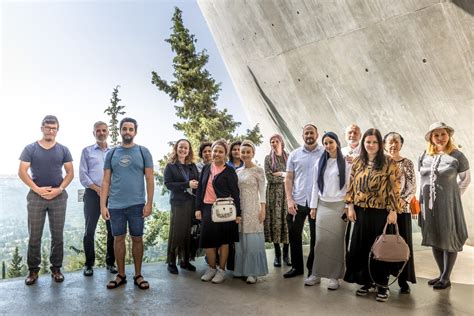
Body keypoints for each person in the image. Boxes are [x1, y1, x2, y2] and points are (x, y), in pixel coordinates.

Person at [344, 128, 401, 302]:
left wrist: (393, 211)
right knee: (362, 248)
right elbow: (351, 186)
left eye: (374, 142)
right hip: (361, 212)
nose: (371, 145)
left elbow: (395, 189)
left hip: (381, 213)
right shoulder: (358, 162)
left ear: (380, 144)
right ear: (364, 143)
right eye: (368, 142)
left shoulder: (389, 163)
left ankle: (382, 285)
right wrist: (350, 207)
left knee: (380, 250)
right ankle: (367, 282)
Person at [18, 115, 74, 285]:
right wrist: (38, 189)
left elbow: (70, 173)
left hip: (58, 197)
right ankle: (33, 271)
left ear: (57, 130)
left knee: (58, 236)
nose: (51, 131)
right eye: (48, 127)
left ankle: (56, 269)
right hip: (36, 196)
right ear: (41, 128)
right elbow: (22, 171)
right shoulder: (30, 149)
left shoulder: (63, 149)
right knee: (34, 236)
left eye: (54, 128)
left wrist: (59, 189)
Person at [100, 117, 154, 290]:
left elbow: (150, 178)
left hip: (137, 204)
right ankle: (121, 275)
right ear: (120, 131)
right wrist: (103, 205)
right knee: (118, 239)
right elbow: (106, 181)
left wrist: (149, 203)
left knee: (137, 239)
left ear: (135, 132)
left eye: (131, 129)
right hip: (115, 205)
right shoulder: (112, 153)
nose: (127, 132)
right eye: (125, 128)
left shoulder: (143, 152)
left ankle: (138, 275)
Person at [418, 122, 470, 290]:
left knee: (448, 237)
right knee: (434, 237)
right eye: (436, 135)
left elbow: (466, 180)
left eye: (443, 134)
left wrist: (453, 195)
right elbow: (422, 179)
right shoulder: (424, 156)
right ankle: (441, 274)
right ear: (431, 138)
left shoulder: (457, 156)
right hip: (429, 205)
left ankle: (446, 277)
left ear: (448, 136)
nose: (440, 138)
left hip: (448, 204)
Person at [305, 132, 350, 290]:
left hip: (339, 206)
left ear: (337, 142)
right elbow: (315, 186)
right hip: (323, 205)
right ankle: (316, 274)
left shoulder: (346, 162)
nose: (328, 145)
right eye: (325, 143)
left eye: (330, 142)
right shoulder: (320, 162)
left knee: (336, 242)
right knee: (320, 241)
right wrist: (313, 207)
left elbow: (349, 185)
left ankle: (334, 277)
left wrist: (347, 205)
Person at [195, 139, 241, 284]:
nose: (217, 154)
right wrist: (198, 208)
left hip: (224, 210)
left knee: (224, 241)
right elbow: (200, 190)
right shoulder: (206, 168)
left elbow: (235, 192)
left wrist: (238, 213)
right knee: (208, 240)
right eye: (215, 151)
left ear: (225, 154)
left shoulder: (229, 170)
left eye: (220, 151)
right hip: (208, 208)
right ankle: (211, 268)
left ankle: (221, 270)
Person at [284, 124, 324, 278]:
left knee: (316, 237)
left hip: (316, 202)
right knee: (294, 235)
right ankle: (296, 267)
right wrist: (289, 199)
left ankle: (312, 268)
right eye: (306, 133)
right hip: (297, 201)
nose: (309, 135)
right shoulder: (294, 154)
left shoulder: (324, 153)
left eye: (311, 132)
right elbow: (288, 178)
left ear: (317, 134)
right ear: (302, 136)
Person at [79, 121, 117, 277]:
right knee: (89, 230)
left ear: (108, 132)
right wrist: (99, 189)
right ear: (93, 133)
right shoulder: (87, 151)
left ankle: (110, 263)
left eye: (104, 130)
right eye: (98, 131)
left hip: (112, 196)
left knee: (112, 230)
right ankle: (89, 264)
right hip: (92, 195)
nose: (101, 133)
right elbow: (83, 175)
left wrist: (109, 191)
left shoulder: (115, 152)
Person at [383, 132, 417, 293]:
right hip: (381, 211)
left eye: (396, 142)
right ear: (384, 144)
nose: (393, 145)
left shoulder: (407, 163)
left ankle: (403, 280)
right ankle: (381, 279)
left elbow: (412, 188)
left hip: (401, 211)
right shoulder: (379, 162)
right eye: (390, 142)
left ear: (401, 144)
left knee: (402, 246)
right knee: (383, 245)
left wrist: (397, 206)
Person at [234, 140, 268, 284]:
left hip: (254, 208)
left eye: (248, 152)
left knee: (253, 240)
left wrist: (263, 209)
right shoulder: (237, 171)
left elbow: (262, 191)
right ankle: (242, 269)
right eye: (243, 152)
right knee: (242, 239)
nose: (245, 154)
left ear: (253, 153)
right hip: (241, 209)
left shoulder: (259, 170)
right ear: (239, 154)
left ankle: (253, 272)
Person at [163, 139, 199, 274]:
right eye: (181, 147)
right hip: (178, 203)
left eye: (186, 148)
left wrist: (196, 184)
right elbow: (168, 185)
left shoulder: (192, 166)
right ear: (176, 148)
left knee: (188, 232)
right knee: (177, 233)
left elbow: (197, 180)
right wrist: (187, 185)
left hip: (191, 202)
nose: (183, 150)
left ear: (189, 150)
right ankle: (171, 262)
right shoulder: (170, 166)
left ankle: (185, 260)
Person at [264, 134, 291, 267]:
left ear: (281, 142)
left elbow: (293, 175)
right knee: (275, 222)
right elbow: (269, 178)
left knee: (286, 222)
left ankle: (286, 255)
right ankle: (277, 255)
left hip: (287, 194)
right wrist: (285, 176)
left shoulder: (289, 157)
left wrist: (281, 174)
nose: (274, 143)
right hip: (273, 195)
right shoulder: (268, 158)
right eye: (271, 141)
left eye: (276, 141)